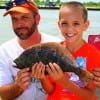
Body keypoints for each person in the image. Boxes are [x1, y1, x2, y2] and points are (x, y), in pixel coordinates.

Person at [32, 1, 100, 100]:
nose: (69, 29)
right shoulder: (53, 52)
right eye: (64, 23)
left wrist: (64, 82)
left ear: (86, 25)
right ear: (59, 24)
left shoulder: (94, 55)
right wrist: (42, 77)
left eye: (76, 23)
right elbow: (50, 90)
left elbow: (89, 96)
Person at [0, 0, 61, 100]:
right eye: (14, 19)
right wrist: (18, 85)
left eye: (24, 18)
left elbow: (69, 88)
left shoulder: (57, 46)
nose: (19, 24)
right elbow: (3, 95)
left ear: (37, 19)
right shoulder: (3, 51)